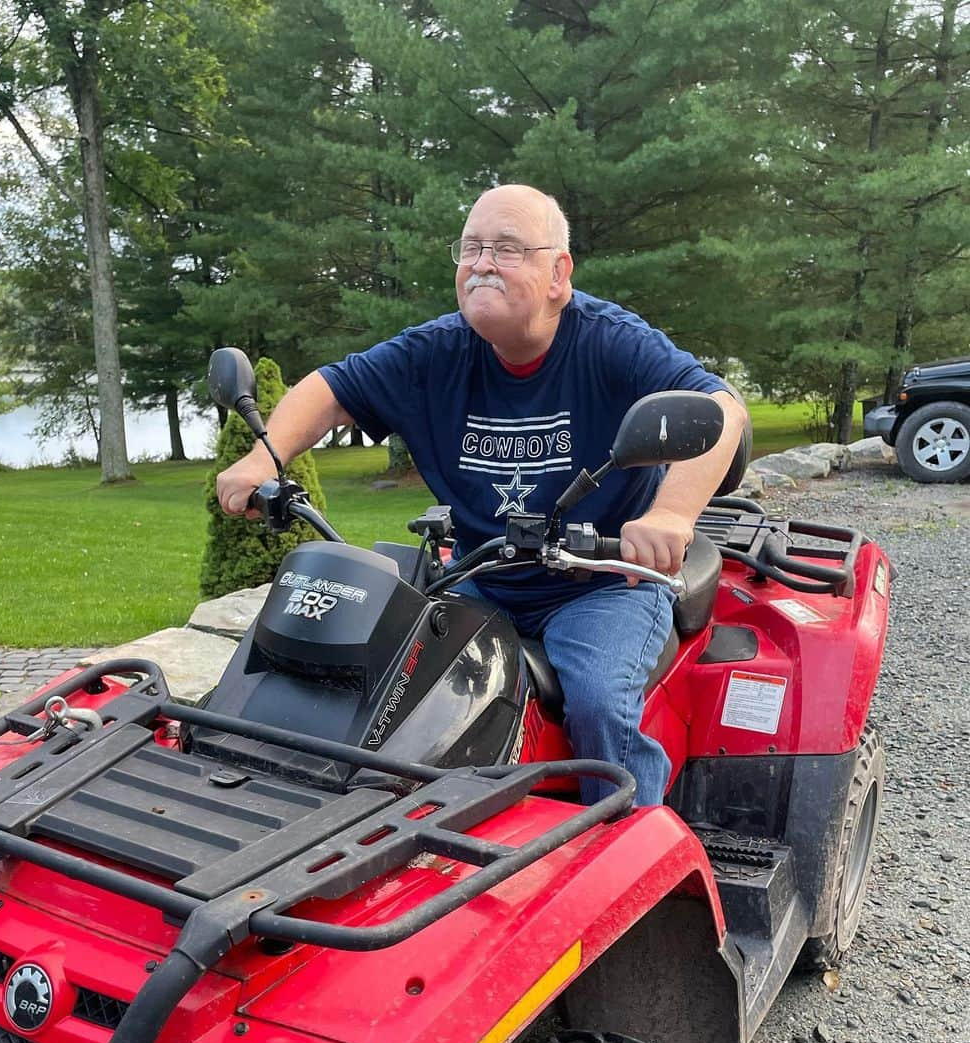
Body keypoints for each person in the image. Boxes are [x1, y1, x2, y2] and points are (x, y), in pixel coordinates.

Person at [216, 184, 747, 805]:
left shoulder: (607, 340)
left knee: (600, 698)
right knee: (394, 694)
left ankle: (631, 842)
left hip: (603, 582)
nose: (482, 262)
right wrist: (265, 455)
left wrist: (671, 514)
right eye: (470, 249)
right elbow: (332, 387)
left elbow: (721, 409)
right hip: (482, 576)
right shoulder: (436, 351)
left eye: (507, 248)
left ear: (558, 273)